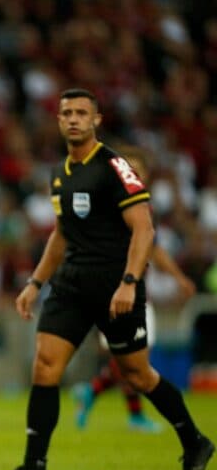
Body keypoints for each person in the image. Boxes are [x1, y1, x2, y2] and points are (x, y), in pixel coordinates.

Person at [0, 88, 213, 470]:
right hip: (71, 284)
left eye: (81, 113)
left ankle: (195, 442)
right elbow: (61, 235)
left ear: (96, 120)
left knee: (138, 374)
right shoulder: (60, 173)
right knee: (45, 365)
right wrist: (34, 283)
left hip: (115, 287)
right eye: (66, 113)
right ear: (58, 120)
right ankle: (33, 467)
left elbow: (144, 227)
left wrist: (130, 282)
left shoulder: (114, 166)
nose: (73, 119)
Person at [73, 147, 197, 432]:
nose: (134, 174)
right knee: (136, 363)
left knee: (133, 362)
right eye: (130, 169)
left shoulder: (138, 205)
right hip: (120, 292)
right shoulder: (118, 206)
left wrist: (177, 277)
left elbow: (152, 249)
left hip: (129, 291)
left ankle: (104, 397)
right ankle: (106, 398)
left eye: (139, 170)